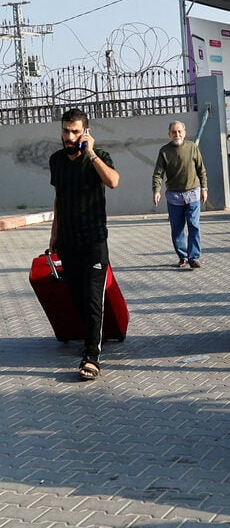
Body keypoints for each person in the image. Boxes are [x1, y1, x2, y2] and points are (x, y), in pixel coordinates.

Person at [48, 108, 121, 381]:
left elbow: (113, 181)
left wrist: (90, 152)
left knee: (92, 297)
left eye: (75, 131)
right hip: (68, 241)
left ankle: (92, 356)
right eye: (66, 131)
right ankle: (95, 338)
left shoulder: (98, 158)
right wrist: (54, 234)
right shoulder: (56, 160)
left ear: (85, 132)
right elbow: (59, 197)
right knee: (77, 297)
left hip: (93, 241)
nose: (69, 136)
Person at [152, 121, 207, 268]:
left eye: (179, 131)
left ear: (184, 132)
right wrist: (156, 190)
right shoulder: (164, 151)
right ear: (169, 134)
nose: (177, 135)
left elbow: (201, 169)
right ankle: (183, 257)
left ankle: (194, 257)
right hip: (174, 196)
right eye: (174, 132)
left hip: (193, 193)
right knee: (177, 228)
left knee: (194, 225)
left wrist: (204, 188)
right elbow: (158, 173)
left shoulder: (192, 147)